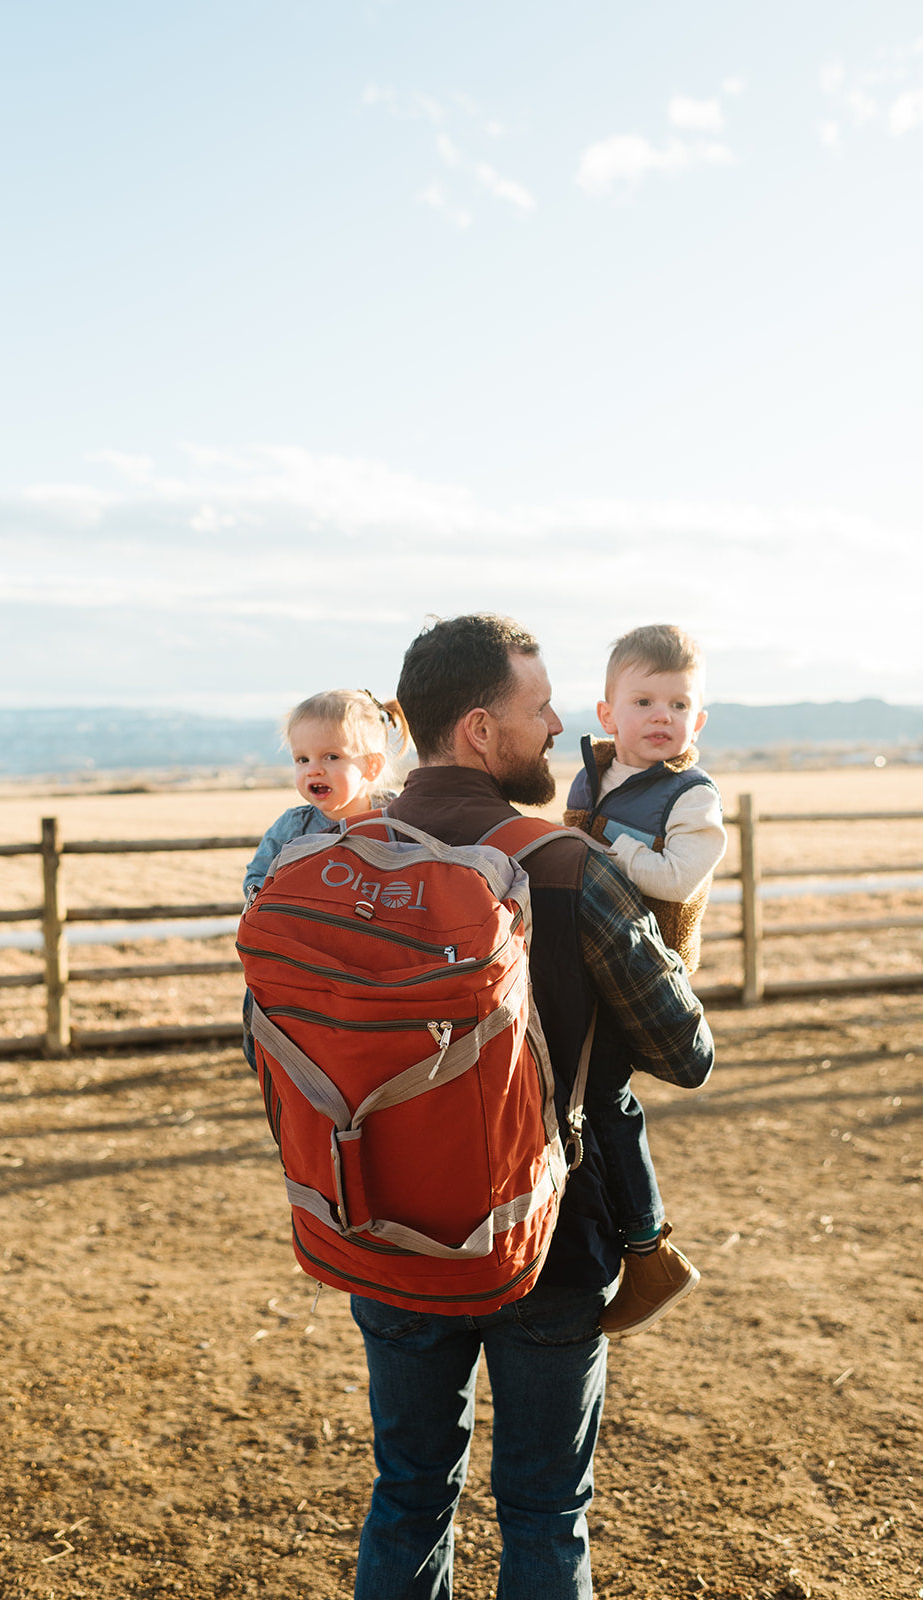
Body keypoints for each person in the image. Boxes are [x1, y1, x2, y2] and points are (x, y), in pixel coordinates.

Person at [350, 613, 715, 1600]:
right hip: (545, 1240)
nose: (558, 724)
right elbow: (689, 1054)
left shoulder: (342, 856)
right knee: (546, 1510)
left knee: (408, 1491)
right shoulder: (568, 867)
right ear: (478, 731)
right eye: (538, 705)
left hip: (385, 1228)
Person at [562, 625, 726, 1340]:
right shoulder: (593, 772)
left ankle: (647, 1247)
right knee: (571, 1086)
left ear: (699, 720)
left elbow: (676, 875)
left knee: (604, 1093)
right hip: (583, 959)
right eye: (644, 700)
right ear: (608, 714)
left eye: (678, 703)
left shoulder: (692, 795)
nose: (662, 716)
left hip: (641, 966)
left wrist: (604, 846)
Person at [241, 688, 408, 1066]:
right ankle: (267, 1051)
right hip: (305, 960)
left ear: (371, 766)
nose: (313, 769)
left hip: (376, 962)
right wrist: (265, 904)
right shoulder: (294, 827)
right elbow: (256, 879)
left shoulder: (398, 822)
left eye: (331, 756)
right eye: (302, 759)